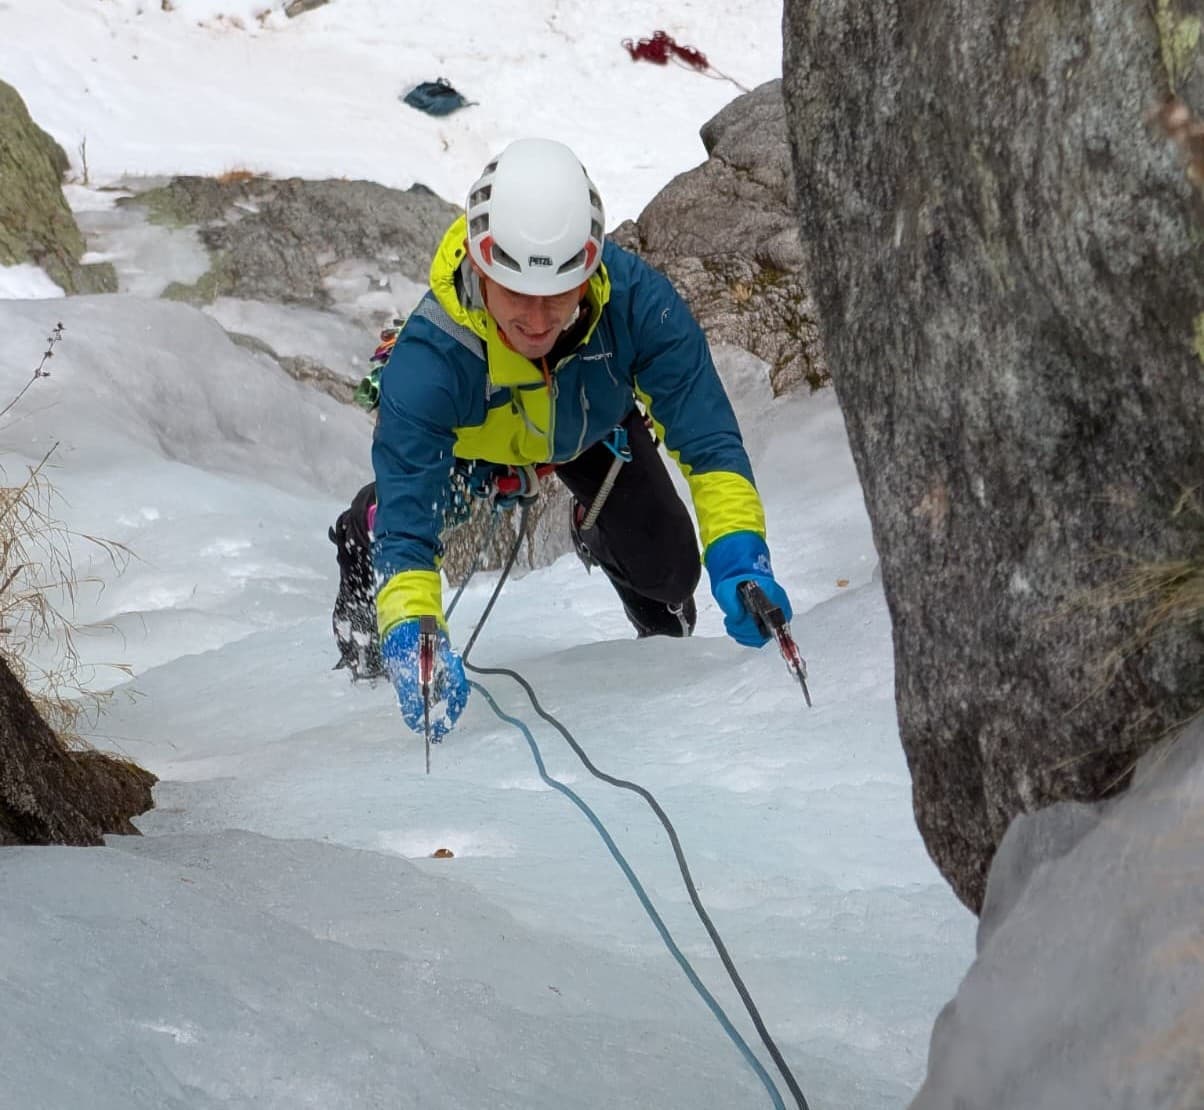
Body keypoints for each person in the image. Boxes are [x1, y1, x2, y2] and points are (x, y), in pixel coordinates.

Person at [331, 137, 793, 741]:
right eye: (516, 293)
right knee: (394, 528)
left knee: (670, 577)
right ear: (480, 268)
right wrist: (411, 626)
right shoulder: (430, 359)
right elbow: (410, 521)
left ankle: (592, 525)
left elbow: (707, 440)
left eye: (558, 296)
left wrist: (740, 552)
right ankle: (363, 534)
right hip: (470, 450)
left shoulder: (638, 305)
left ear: (590, 270)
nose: (538, 320)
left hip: (588, 429)